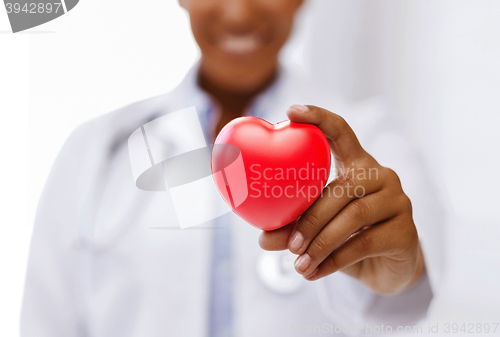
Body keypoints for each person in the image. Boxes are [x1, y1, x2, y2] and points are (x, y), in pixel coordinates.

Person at [21, 0, 444, 336]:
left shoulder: (375, 139)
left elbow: (413, 304)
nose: (239, 12)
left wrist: (400, 272)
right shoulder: (96, 150)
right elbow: (46, 320)